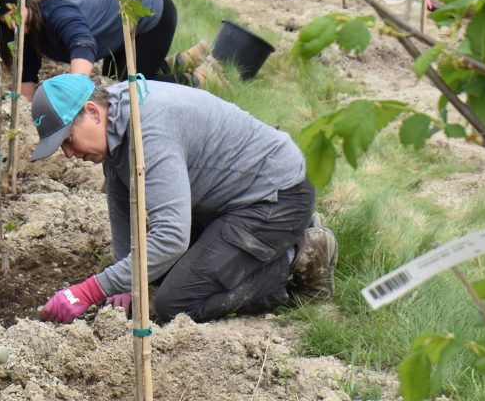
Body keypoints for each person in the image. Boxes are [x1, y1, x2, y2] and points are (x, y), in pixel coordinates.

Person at [29, 73, 337, 324]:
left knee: (177, 302)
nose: (69, 154)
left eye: (68, 140)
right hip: (226, 201)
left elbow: (171, 237)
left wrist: (90, 290)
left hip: (276, 199)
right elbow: (124, 205)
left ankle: (297, 258)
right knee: (158, 273)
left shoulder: (148, 130)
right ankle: (274, 246)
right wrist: (124, 281)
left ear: (93, 112)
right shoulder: (118, 119)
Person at [11, 0, 215, 101]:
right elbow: (26, 81)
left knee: (130, 90)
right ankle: (176, 63)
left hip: (149, 14)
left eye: (13, 14)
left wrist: (71, 98)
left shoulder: (56, 11)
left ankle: (198, 79)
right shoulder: (25, 29)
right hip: (119, 31)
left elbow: (82, 45)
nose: (12, 23)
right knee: (113, 79)